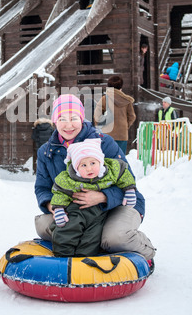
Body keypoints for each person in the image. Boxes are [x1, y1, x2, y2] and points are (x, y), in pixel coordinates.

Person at [34, 94, 156, 261]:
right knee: (42, 225)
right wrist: (54, 207)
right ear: (55, 121)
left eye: (73, 118)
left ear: (82, 118)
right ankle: (91, 239)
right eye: (62, 119)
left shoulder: (104, 143)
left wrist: (102, 196)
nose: (68, 125)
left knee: (114, 238)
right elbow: (42, 187)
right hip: (76, 211)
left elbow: (127, 180)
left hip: (117, 205)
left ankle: (145, 249)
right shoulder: (46, 151)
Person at [50, 138, 136, 257]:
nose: (89, 168)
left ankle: (84, 259)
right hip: (76, 210)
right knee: (67, 231)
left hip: (99, 213)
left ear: (100, 162)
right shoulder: (69, 178)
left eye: (93, 163)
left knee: (92, 238)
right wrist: (58, 208)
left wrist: (129, 189)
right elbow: (60, 192)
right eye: (83, 165)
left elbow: (123, 174)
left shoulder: (110, 171)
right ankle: (63, 257)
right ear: (76, 168)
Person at [94, 75, 136, 154]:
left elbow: (97, 115)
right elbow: (132, 116)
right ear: (121, 87)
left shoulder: (104, 99)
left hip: (107, 133)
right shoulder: (127, 100)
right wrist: (126, 125)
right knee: (120, 159)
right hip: (122, 134)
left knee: (108, 159)